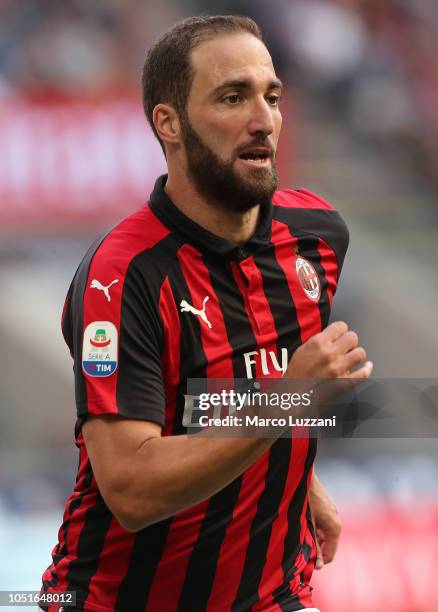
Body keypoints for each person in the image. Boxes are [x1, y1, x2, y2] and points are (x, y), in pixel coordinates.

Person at [40, 15, 372, 612]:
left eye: (271, 96)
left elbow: (218, 394)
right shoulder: (122, 277)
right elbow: (133, 488)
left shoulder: (317, 237)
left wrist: (299, 481)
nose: (262, 118)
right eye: (232, 97)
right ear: (168, 123)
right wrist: (290, 399)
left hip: (272, 595)